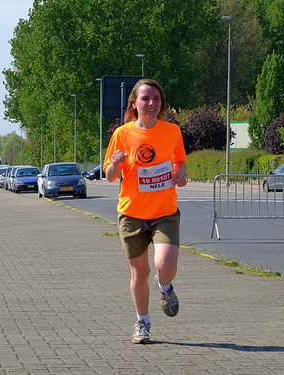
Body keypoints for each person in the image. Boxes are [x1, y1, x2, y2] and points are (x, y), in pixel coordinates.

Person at [104, 78, 187, 344]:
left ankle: (166, 287)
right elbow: (109, 175)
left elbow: (180, 161)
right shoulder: (122, 134)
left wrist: (181, 174)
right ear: (134, 104)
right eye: (146, 99)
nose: (152, 103)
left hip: (165, 211)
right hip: (132, 213)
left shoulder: (172, 131)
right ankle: (143, 322)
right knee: (140, 273)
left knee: (164, 265)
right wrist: (115, 163)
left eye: (156, 99)